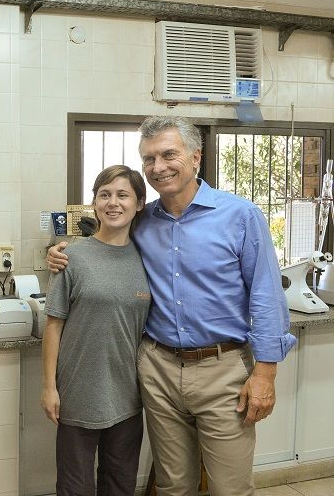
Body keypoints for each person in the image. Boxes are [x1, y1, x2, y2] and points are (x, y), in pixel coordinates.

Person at [47, 116, 295, 496]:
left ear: (196, 157)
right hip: (158, 368)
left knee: (230, 487)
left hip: (223, 368)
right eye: (149, 159)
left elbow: (266, 295)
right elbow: (104, 246)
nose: (158, 167)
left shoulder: (240, 216)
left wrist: (266, 373)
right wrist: (61, 253)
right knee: (173, 485)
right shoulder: (143, 221)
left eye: (168, 154)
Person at [42, 165, 150, 496]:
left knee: (120, 484)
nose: (112, 203)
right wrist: (49, 387)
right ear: (94, 203)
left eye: (122, 195)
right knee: (75, 487)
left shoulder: (149, 259)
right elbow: (53, 326)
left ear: (140, 203)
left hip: (129, 397)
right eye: (104, 195)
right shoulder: (70, 257)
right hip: (78, 394)